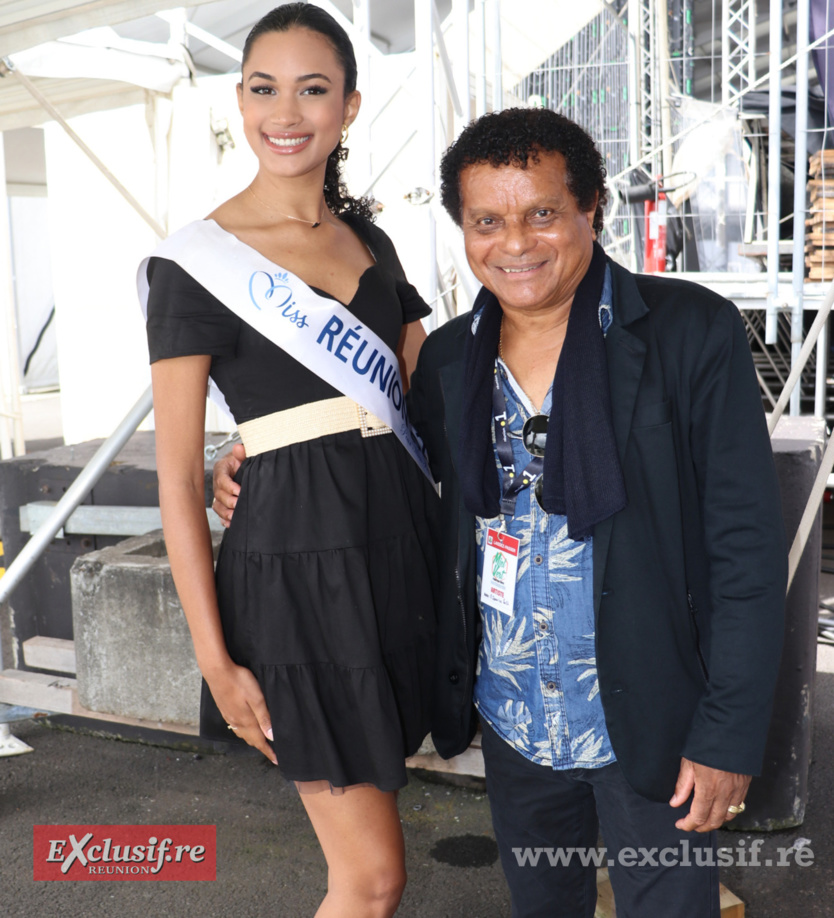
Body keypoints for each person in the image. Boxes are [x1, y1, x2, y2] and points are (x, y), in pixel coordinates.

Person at [215, 107, 787, 917]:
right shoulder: (449, 359)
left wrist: (727, 736)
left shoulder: (689, 333)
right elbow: (378, 464)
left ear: (592, 209)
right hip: (515, 718)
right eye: (487, 221)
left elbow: (746, 552)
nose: (514, 243)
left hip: (653, 717)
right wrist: (250, 460)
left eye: (541, 213)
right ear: (462, 229)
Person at [140, 6, 438, 917]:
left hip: (397, 558)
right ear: (239, 101)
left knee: (379, 865)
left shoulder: (373, 243)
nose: (288, 111)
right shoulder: (197, 264)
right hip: (297, 580)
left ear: (349, 106)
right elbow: (177, 487)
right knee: (373, 879)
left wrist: (264, 436)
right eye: (265, 87)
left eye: (314, 89)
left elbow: (407, 385)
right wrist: (216, 662)